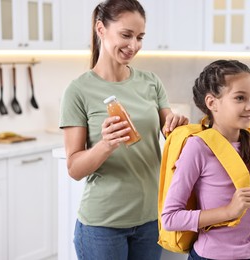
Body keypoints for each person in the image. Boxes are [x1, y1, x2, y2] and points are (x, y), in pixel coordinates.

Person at [59, 0, 188, 259]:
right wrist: (106, 144)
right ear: (101, 29)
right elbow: (74, 168)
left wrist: (178, 125)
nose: (134, 45)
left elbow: (171, 133)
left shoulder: (151, 82)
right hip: (103, 225)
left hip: (151, 218)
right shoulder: (78, 90)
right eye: (126, 35)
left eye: (140, 37)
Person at [161, 60, 250, 260]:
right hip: (211, 257)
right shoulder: (198, 147)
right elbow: (170, 218)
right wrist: (229, 211)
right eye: (240, 98)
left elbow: (242, 207)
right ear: (212, 103)